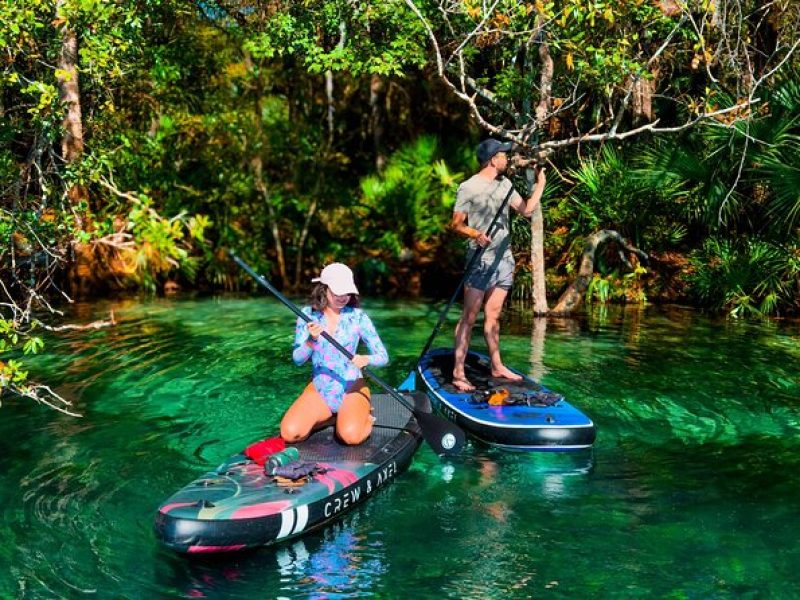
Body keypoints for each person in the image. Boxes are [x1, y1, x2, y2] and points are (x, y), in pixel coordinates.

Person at [449, 138, 547, 392]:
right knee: (469, 317)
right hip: (479, 261)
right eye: (504, 155)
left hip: (504, 260)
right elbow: (456, 225)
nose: (507, 159)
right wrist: (475, 234)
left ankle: (497, 365)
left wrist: (540, 185)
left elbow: (526, 210)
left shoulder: (505, 185)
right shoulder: (468, 187)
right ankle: (458, 373)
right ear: (493, 159)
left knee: (493, 316)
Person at [281, 263, 389, 445]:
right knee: (290, 433)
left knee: (350, 437)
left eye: (347, 292)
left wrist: (365, 359)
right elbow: (298, 359)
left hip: (351, 385)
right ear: (324, 289)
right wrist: (311, 341)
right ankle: (334, 418)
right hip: (320, 388)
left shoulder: (358, 317)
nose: (344, 297)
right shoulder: (307, 315)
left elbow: (383, 356)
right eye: (338, 292)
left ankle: (365, 416)